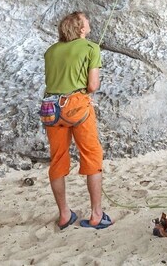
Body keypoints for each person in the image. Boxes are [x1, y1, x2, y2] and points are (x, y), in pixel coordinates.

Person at [43, 12, 111, 230]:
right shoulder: (91, 48)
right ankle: (96, 215)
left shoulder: (51, 51)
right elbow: (92, 86)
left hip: (51, 109)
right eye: (86, 21)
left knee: (58, 159)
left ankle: (64, 215)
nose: (90, 22)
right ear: (81, 28)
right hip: (77, 106)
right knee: (91, 155)